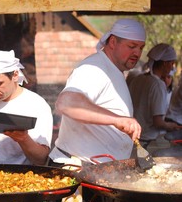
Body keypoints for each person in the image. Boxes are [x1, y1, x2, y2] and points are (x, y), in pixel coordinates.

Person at [49, 18, 146, 164]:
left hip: (99, 170)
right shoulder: (95, 68)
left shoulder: (113, 70)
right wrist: (117, 120)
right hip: (78, 168)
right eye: (132, 46)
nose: (137, 53)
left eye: (141, 48)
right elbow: (66, 103)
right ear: (113, 42)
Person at [128, 43, 180, 148]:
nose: (172, 67)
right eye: (172, 63)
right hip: (147, 141)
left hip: (132, 137)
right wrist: (172, 126)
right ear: (165, 63)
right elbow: (158, 122)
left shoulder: (138, 79)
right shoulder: (158, 85)